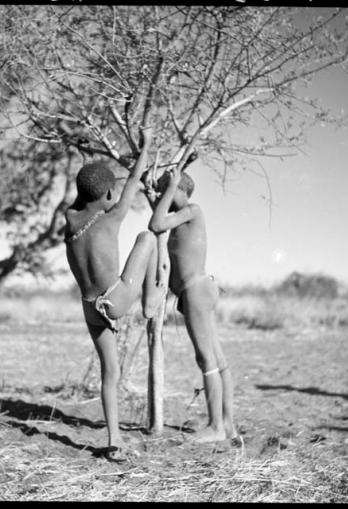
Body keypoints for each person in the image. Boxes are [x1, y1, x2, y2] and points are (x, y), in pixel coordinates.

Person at [64, 128, 167, 462]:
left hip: (90, 307)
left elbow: (83, 192)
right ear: (109, 192)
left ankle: (114, 441)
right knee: (147, 237)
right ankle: (151, 300)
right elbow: (135, 180)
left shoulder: (70, 220)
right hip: (116, 299)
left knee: (111, 373)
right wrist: (146, 148)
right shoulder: (112, 217)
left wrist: (84, 161)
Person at [148, 165, 240, 444]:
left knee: (207, 359)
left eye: (168, 189)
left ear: (180, 189)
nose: (162, 193)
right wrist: (154, 189)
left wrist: (170, 183)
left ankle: (216, 427)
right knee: (217, 359)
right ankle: (228, 425)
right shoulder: (179, 216)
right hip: (198, 292)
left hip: (197, 291)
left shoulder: (193, 210)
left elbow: (155, 224)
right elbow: (160, 216)